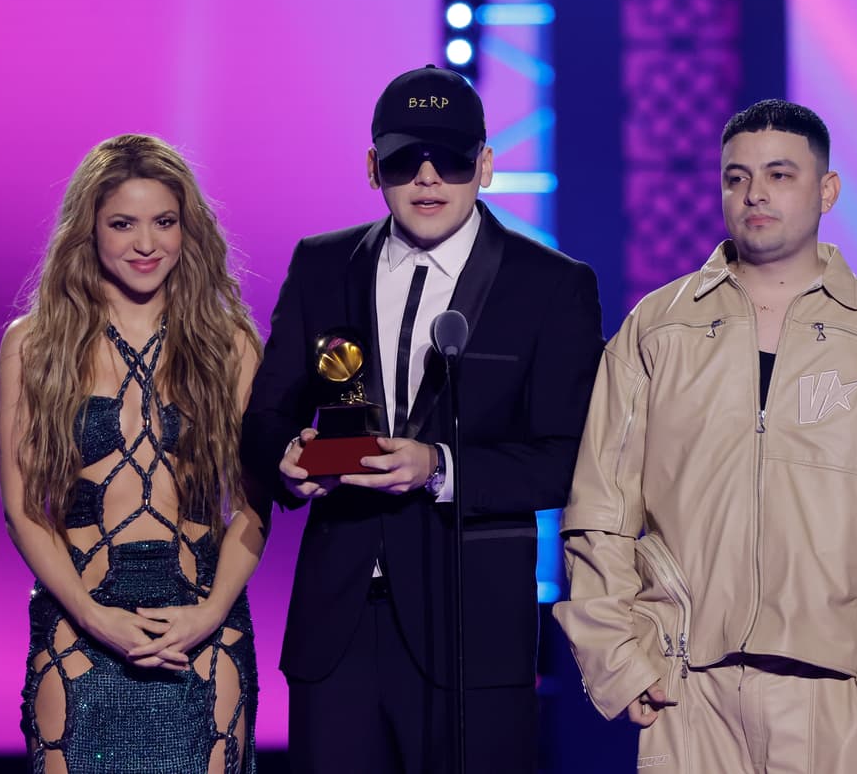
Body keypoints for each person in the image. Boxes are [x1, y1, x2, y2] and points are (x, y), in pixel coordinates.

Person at [554, 99, 857, 773]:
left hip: (832, 695)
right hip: (686, 690)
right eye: (736, 177)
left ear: (827, 189)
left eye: (780, 174)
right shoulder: (659, 329)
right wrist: (617, 659)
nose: (754, 194)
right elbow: (598, 507)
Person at [240, 64, 603, 772]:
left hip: (468, 623)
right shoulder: (322, 266)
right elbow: (263, 417)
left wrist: (439, 466)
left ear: (487, 165)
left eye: (453, 157)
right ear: (373, 166)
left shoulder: (552, 286)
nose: (429, 176)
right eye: (406, 158)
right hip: (337, 626)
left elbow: (569, 458)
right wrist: (286, 455)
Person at [0, 134, 266, 772]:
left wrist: (209, 614)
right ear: (87, 230)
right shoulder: (34, 346)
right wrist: (94, 617)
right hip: (80, 624)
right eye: (123, 224)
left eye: (164, 222)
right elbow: (21, 508)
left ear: (187, 229)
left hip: (202, 623)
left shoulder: (228, 345)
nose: (146, 244)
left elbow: (255, 510)